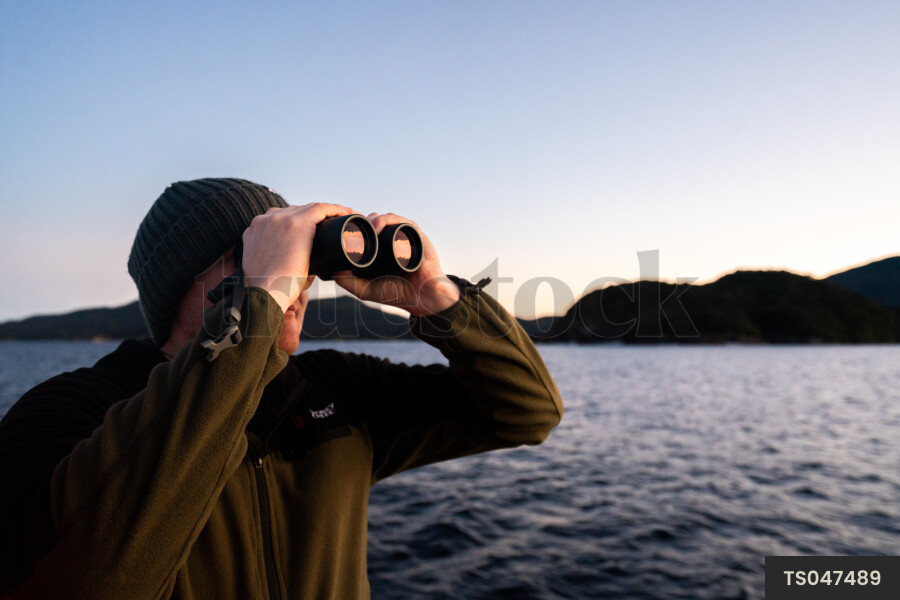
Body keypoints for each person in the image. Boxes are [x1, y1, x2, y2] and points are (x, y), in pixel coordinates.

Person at [0, 178, 562, 599]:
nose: (294, 283)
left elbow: (528, 412)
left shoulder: (337, 390)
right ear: (177, 286)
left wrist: (438, 300)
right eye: (255, 255)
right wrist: (257, 302)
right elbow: (79, 581)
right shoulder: (69, 412)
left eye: (297, 259)